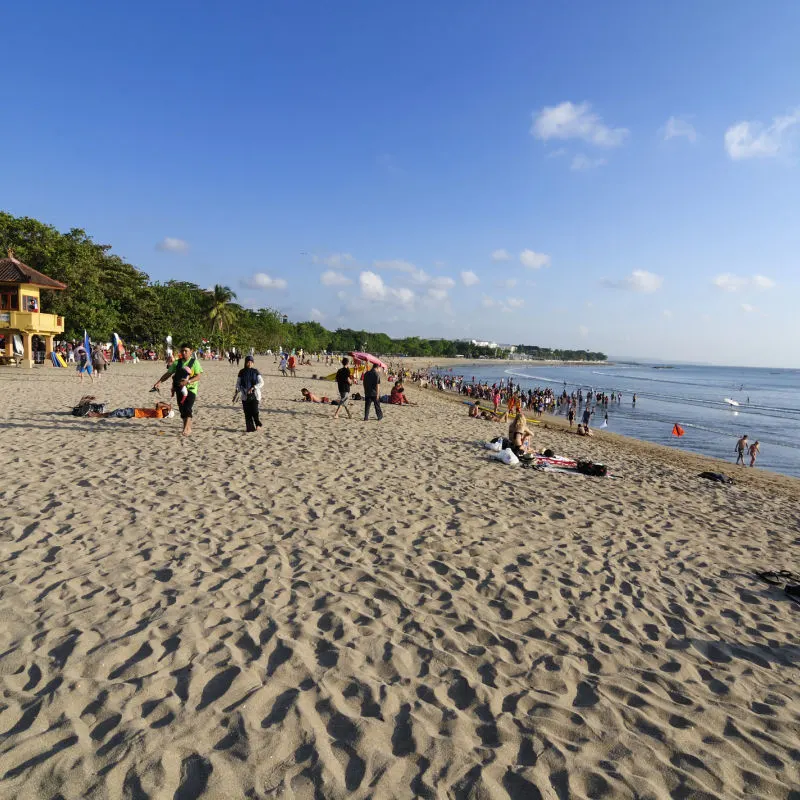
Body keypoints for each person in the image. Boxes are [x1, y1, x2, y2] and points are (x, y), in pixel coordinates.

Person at [153, 342, 203, 436]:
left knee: (188, 408)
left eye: (186, 351)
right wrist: (159, 382)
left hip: (191, 389)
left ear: (191, 352)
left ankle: (186, 429)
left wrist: (188, 382)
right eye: (182, 351)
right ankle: (187, 427)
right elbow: (168, 374)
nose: (184, 353)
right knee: (182, 410)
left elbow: (198, 376)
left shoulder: (195, 362)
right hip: (179, 389)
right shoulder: (177, 362)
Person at [234, 355, 264, 432]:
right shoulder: (241, 372)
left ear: (253, 363)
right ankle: (250, 428)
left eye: (251, 362)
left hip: (255, 395)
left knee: (255, 411)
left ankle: (258, 425)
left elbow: (261, 382)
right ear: (245, 362)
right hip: (245, 395)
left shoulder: (255, 371)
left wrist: (254, 387)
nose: (250, 363)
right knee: (247, 413)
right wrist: (238, 390)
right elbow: (238, 383)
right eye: (248, 362)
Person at [87, 401, 172, 419]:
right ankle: (100, 414)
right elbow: (160, 403)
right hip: (134, 412)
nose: (164, 409)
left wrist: (167, 406)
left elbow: (158, 404)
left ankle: (97, 415)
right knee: (117, 413)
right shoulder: (161, 412)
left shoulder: (159, 414)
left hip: (134, 413)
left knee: (117, 412)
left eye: (166, 410)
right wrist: (166, 405)